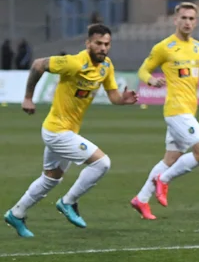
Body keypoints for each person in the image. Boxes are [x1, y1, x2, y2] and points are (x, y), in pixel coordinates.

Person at [4, 24, 138, 237]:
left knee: (51, 178)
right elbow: (39, 64)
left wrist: (124, 100)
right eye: (98, 43)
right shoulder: (74, 62)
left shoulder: (106, 67)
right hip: (57, 131)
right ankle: (68, 202)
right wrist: (28, 97)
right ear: (88, 44)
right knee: (102, 163)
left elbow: (113, 96)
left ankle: (16, 213)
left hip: (66, 131)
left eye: (106, 44)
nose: (103, 48)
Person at [130, 2, 199, 219]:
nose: (187, 22)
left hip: (189, 110)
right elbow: (143, 70)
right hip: (176, 110)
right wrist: (151, 81)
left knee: (169, 159)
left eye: (191, 19)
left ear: (196, 22)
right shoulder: (164, 47)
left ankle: (141, 199)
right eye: (183, 18)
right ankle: (163, 180)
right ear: (175, 20)